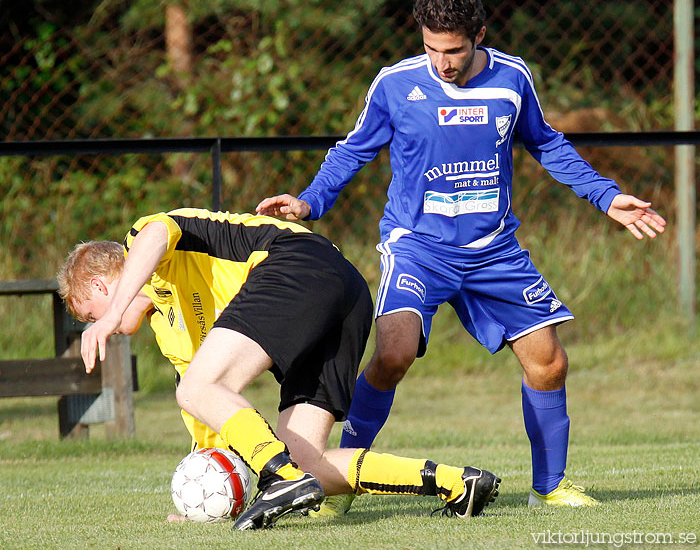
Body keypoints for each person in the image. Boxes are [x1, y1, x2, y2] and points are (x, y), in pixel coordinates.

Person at [256, 0, 666, 514]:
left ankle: (550, 486)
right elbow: (350, 152)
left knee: (549, 362)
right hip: (418, 247)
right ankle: (339, 480)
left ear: (479, 37)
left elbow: (547, 143)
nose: (442, 62)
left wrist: (606, 197)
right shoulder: (395, 85)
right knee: (394, 354)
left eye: (453, 50)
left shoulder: (512, 78)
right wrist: (310, 202)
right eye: (431, 48)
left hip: (494, 249)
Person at [57, 207, 500, 530]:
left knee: (201, 391)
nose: (103, 328)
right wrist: (198, 496)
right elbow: (206, 415)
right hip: (346, 295)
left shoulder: (146, 241)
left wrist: (113, 313)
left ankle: (281, 478)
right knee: (306, 458)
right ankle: (457, 483)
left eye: (91, 315)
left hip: (297, 264)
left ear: (101, 284)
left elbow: (155, 234)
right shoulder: (171, 331)